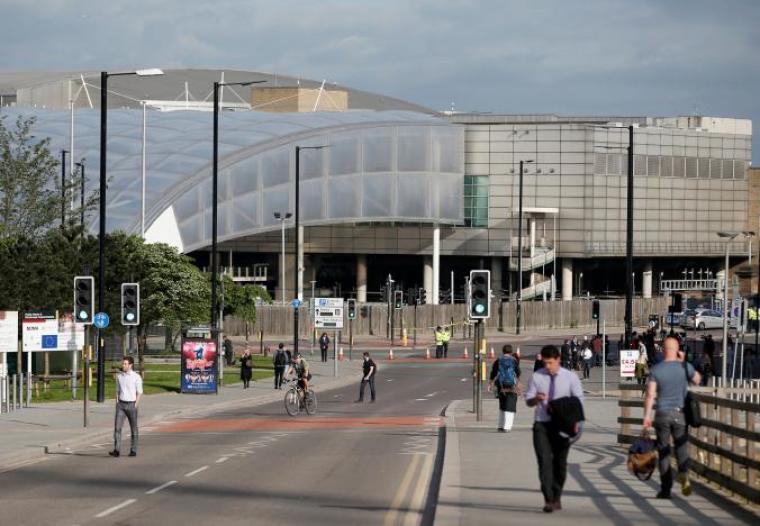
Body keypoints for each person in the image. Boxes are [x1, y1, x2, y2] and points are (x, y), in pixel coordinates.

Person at [525, 345, 584, 513]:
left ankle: (557, 495)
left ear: (558, 359)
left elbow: (579, 401)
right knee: (544, 461)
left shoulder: (570, 377)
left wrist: (578, 424)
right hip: (542, 424)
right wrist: (536, 399)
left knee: (559, 463)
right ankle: (548, 498)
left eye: (550, 363)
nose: (548, 366)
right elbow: (528, 401)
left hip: (562, 425)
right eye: (545, 363)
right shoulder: (537, 377)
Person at [643, 336, 702, 499]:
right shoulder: (684, 367)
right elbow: (697, 380)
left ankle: (666, 489)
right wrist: (684, 363)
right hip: (680, 414)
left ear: (663, 350)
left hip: (662, 413)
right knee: (681, 448)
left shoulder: (657, 369)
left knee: (664, 451)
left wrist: (646, 418)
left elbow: (650, 395)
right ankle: (683, 474)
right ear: (677, 350)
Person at [109, 356, 143, 458]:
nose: (123, 365)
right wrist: (117, 402)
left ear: (130, 365)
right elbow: (117, 391)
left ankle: (133, 450)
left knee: (134, 428)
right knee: (117, 428)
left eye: (125, 364)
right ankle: (117, 450)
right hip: (121, 405)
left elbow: (139, 392)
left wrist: (135, 405)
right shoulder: (120, 376)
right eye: (122, 363)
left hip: (131, 404)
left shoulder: (136, 377)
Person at [488, 344, 521, 432]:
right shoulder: (514, 360)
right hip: (511, 385)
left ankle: (500, 426)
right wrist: (518, 382)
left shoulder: (498, 360)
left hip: (501, 385)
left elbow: (493, 372)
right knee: (510, 405)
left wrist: (490, 383)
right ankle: (507, 427)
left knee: (502, 405)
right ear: (511, 351)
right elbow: (518, 373)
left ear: (503, 351)